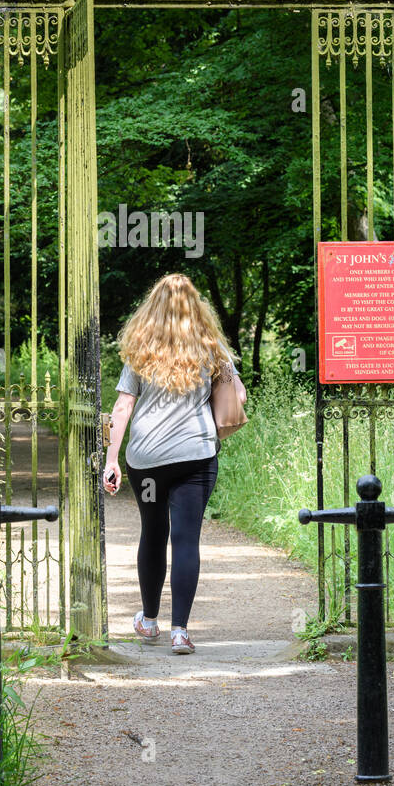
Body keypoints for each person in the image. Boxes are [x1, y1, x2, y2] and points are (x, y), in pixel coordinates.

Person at [102, 272, 247, 654]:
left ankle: (149, 621)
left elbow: (122, 406)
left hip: (147, 461)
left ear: (153, 307)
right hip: (195, 457)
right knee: (186, 539)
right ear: (195, 306)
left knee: (153, 532)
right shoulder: (210, 346)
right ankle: (180, 631)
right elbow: (239, 393)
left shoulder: (140, 348)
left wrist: (111, 459)